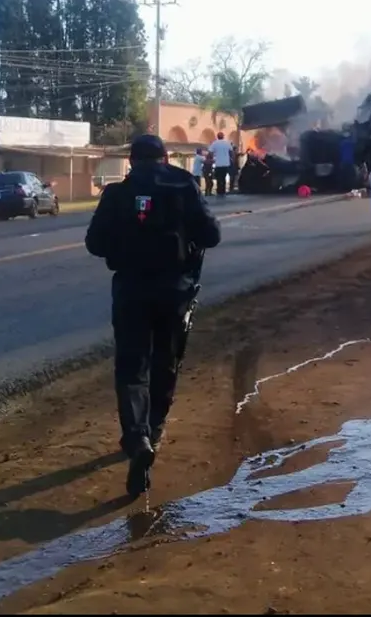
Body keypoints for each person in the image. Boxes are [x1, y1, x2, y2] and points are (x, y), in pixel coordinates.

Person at [84, 134, 222, 497]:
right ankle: (154, 431)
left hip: (130, 289)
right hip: (175, 290)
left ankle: (136, 437)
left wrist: (126, 244)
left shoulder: (115, 194)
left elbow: (94, 243)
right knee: (166, 363)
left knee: (131, 367)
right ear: (163, 158)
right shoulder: (185, 186)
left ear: (131, 162)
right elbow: (212, 235)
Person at [208, 130, 233, 197]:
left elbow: (210, 152)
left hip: (218, 164)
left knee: (219, 178)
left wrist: (212, 158)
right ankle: (223, 191)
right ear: (223, 137)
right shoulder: (227, 143)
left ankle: (219, 191)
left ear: (217, 137)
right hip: (225, 164)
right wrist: (231, 158)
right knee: (224, 177)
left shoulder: (215, 143)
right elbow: (231, 151)